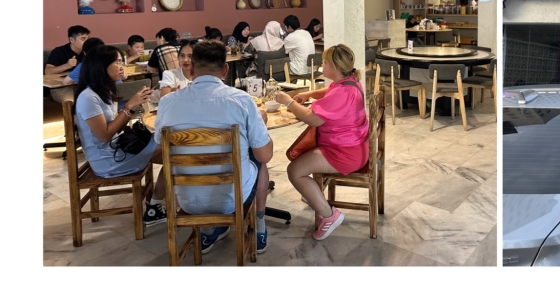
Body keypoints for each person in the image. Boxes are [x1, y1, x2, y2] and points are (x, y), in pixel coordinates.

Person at [155, 41, 273, 254]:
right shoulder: (242, 100)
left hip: (187, 201)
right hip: (232, 200)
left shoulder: (167, 102)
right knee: (257, 156)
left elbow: (159, 146)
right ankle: (259, 223)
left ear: (190, 69)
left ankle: (216, 227)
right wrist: (260, 127)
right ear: (225, 70)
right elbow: (265, 154)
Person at [274, 44, 367, 241]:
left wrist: (289, 102)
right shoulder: (349, 82)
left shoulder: (343, 92)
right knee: (303, 161)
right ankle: (313, 194)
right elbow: (329, 90)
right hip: (355, 146)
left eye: (324, 63)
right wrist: (309, 94)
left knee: (294, 171)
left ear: (334, 66)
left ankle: (328, 215)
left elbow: (312, 119)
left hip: (344, 153)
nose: (321, 66)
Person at [74, 45, 169, 227]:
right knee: (171, 153)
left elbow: (114, 129)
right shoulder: (88, 97)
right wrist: (129, 107)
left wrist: (134, 103)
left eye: (121, 61)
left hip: (116, 150)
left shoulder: (103, 92)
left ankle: (155, 205)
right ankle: (155, 206)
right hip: (107, 160)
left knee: (169, 152)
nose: (122, 66)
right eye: (117, 62)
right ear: (100, 66)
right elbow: (104, 136)